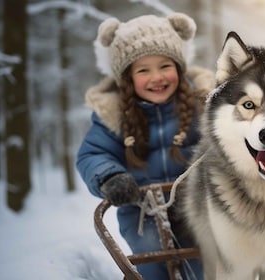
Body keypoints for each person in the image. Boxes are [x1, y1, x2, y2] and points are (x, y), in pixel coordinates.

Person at [76, 12, 215, 279]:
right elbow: (93, 153)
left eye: (165, 66)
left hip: (197, 202)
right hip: (142, 210)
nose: (157, 77)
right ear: (127, 77)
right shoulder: (113, 114)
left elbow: (225, 139)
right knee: (150, 252)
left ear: (179, 66)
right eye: (143, 70)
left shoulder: (202, 102)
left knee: (205, 258)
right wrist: (110, 175)